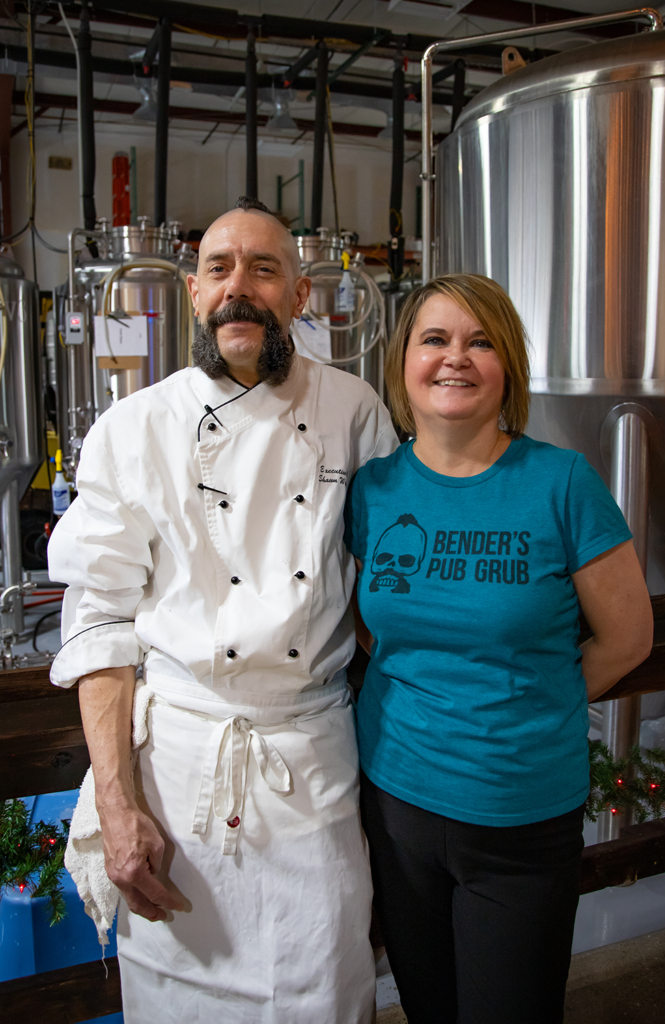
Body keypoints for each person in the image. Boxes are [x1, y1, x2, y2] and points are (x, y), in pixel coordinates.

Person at [48, 196, 397, 1024]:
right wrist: (116, 800)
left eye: (264, 269)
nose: (239, 288)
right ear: (195, 293)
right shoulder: (132, 428)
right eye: (218, 269)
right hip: (179, 784)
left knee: (324, 994)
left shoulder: (355, 413)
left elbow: (391, 575)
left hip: (310, 768)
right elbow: (97, 620)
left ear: (301, 296)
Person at [343, 274, 653, 1024]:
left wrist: (530, 699)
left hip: (518, 818)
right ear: (403, 364)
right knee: (428, 1008)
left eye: (480, 341)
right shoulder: (373, 488)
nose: (457, 358)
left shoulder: (559, 482)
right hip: (395, 805)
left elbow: (626, 637)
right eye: (435, 340)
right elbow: (366, 623)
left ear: (506, 364)